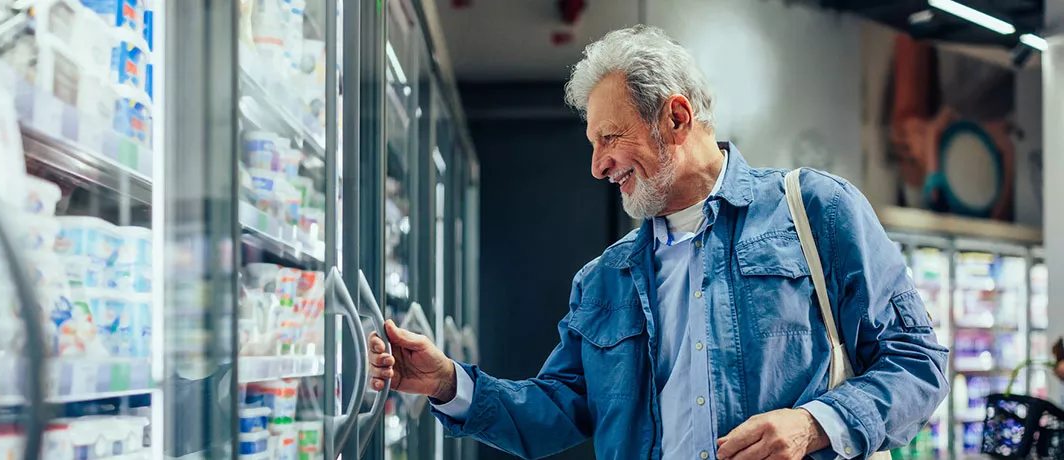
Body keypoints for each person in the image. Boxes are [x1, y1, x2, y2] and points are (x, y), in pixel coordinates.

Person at [367, 25, 949, 460]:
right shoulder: (604, 279)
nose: (598, 166)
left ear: (675, 116)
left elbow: (918, 364)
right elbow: (558, 409)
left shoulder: (816, 210)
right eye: (592, 144)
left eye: (610, 138)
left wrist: (814, 424)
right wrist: (448, 385)